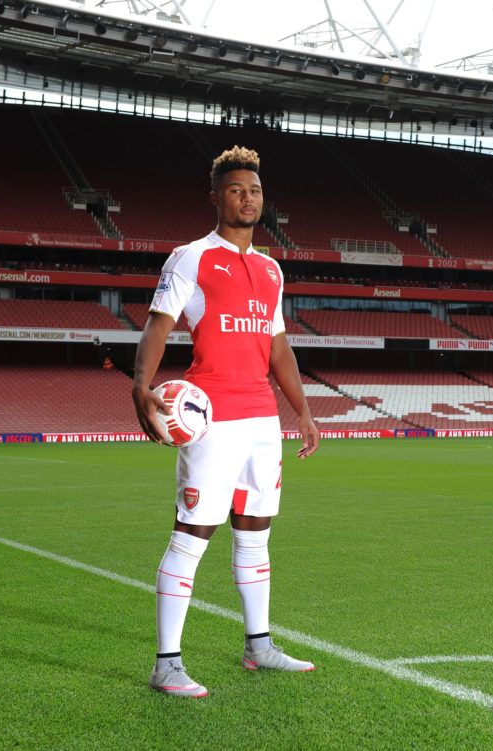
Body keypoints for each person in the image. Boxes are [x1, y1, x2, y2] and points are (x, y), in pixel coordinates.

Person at [131, 145, 320, 698]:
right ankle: (167, 663)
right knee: (192, 535)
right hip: (211, 418)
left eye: (255, 191)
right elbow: (157, 326)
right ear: (216, 197)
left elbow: (277, 346)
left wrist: (302, 411)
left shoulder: (270, 268)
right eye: (236, 190)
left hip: (263, 419)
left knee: (255, 535)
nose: (248, 199)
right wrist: (141, 387)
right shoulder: (191, 257)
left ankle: (258, 646)